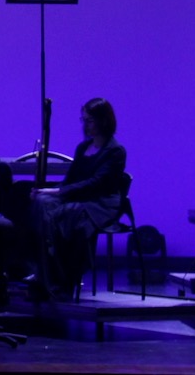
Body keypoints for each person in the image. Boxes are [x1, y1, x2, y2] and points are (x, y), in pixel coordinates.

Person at [24, 97, 127, 302]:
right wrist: (46, 191)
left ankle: (53, 277)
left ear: (103, 120)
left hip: (100, 203)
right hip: (78, 197)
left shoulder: (115, 151)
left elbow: (97, 183)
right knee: (40, 203)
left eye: (90, 120)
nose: (85, 124)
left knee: (66, 214)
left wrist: (56, 192)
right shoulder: (83, 148)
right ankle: (47, 273)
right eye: (83, 120)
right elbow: (70, 180)